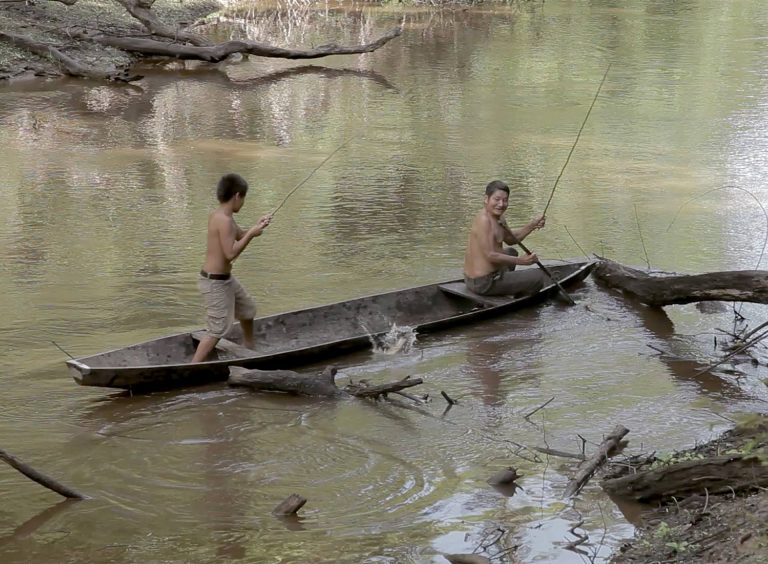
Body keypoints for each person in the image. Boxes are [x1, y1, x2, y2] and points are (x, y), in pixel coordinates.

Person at [192, 173, 272, 363]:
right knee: (217, 329)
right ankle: (192, 366)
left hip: (225, 279)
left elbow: (238, 235)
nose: (242, 203)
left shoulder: (221, 215)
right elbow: (231, 253)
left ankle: (249, 347)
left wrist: (256, 227)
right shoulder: (225, 220)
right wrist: (252, 234)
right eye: (243, 198)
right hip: (214, 283)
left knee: (248, 310)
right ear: (237, 196)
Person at [463, 180, 546, 296]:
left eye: (505, 200)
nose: (501, 204)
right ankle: (518, 299)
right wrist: (522, 261)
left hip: (488, 275)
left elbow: (511, 239)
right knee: (538, 277)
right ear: (486, 199)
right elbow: (490, 255)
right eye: (496, 199)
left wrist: (532, 225)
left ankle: (507, 286)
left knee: (511, 252)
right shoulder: (484, 220)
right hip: (482, 283)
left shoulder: (499, 217)